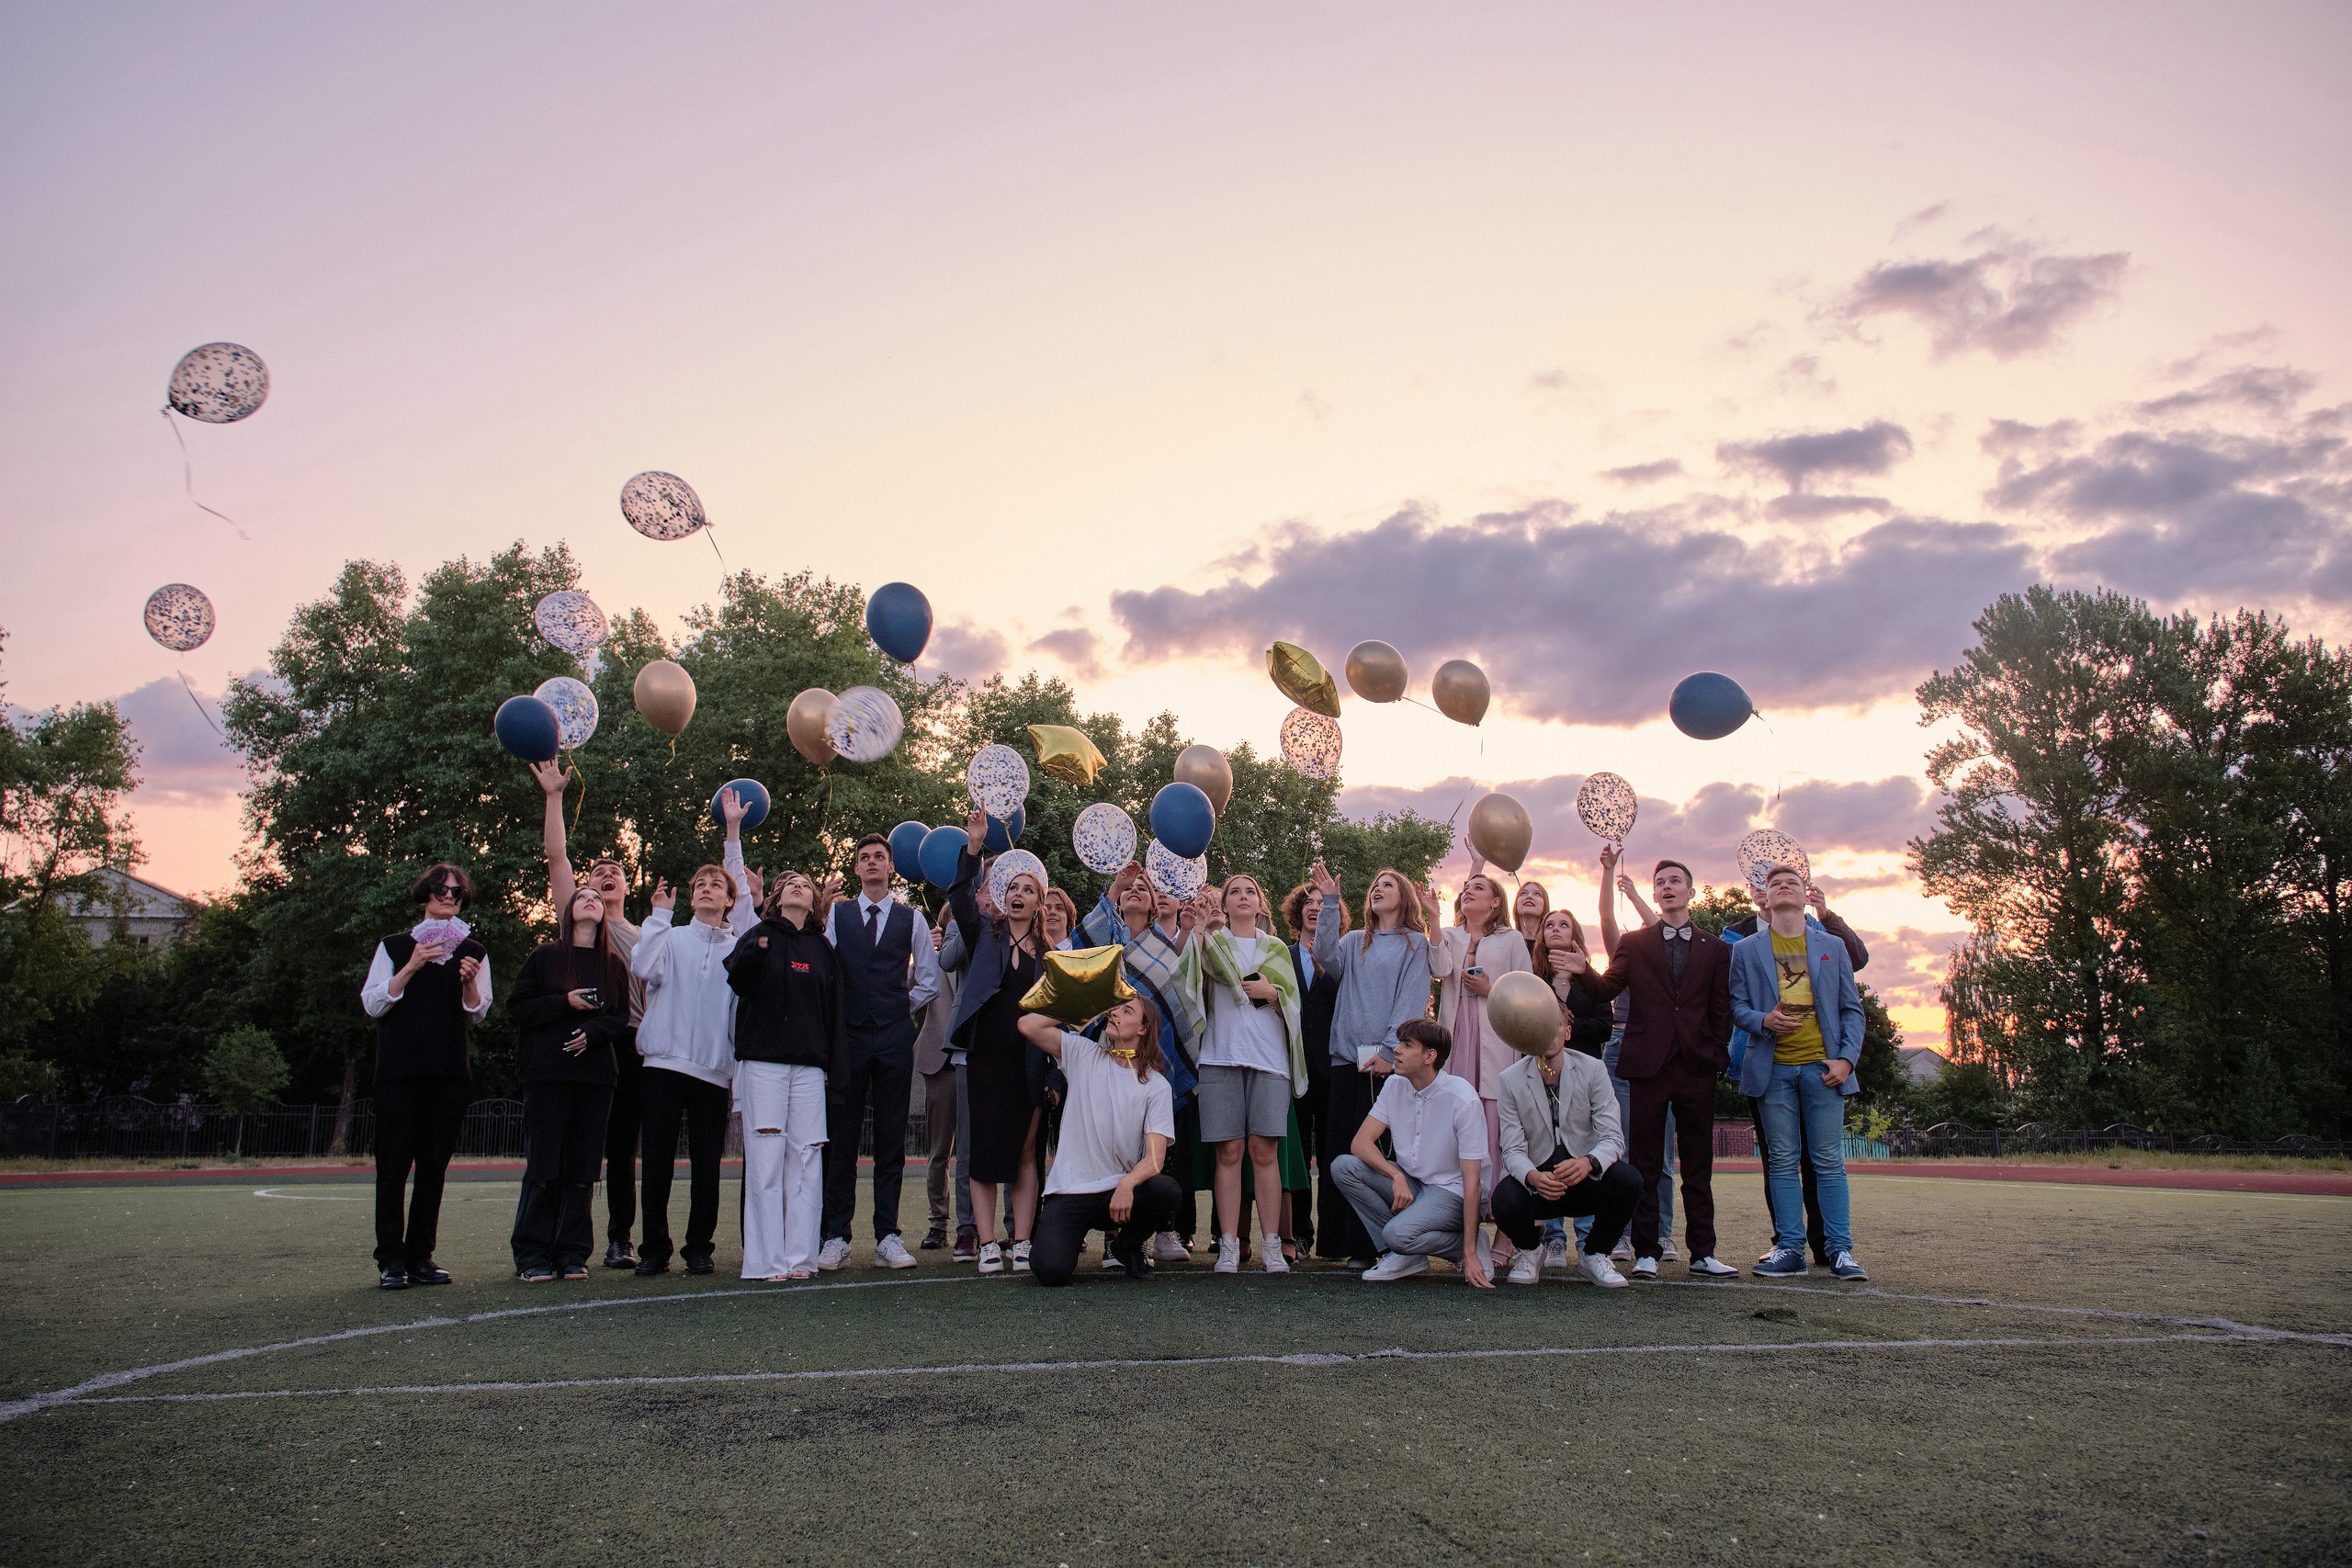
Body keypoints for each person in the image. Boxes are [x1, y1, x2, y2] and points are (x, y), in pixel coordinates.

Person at [1578, 858, 1739, 1280]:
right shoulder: (1636, 943)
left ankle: (1703, 1253)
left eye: (1675, 882)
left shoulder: (1717, 949)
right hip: (1646, 1067)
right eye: (1660, 883)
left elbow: (1721, 1010)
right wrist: (1583, 971)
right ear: (1653, 895)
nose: (1667, 888)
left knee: (1698, 1165)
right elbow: (1608, 987)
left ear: (1690, 891)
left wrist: (1716, 1057)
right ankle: (1647, 1251)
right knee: (1646, 1164)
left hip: (1696, 1068)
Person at [628, 805, 761, 1276]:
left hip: (712, 1069)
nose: (708, 889)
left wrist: (732, 831)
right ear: (690, 899)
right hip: (662, 1065)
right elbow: (642, 968)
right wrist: (657, 919)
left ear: (728, 900)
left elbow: (745, 893)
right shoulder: (669, 936)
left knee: (707, 1165)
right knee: (658, 1163)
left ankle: (699, 1247)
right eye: (699, 885)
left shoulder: (739, 946)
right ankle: (653, 1249)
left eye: (716, 885)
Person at [532, 759, 649, 1270]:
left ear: (625, 890)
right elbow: (557, 857)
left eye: (616, 873)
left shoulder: (645, 938)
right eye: (597, 873)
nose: (605, 876)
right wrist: (555, 795)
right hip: (582, 1041)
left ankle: (619, 1239)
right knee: (567, 1147)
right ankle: (546, 1243)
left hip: (633, 1043)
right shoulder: (576, 920)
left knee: (622, 1149)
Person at [1308, 859, 1451, 1269]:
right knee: (1340, 1152)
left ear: (1403, 898)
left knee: (1378, 1154)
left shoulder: (1415, 944)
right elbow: (1324, 956)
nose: (1378, 888)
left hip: (1384, 1064)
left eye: (1388, 884)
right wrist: (1331, 903)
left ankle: (1382, 1245)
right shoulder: (1354, 941)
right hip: (1344, 1060)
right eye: (1375, 884)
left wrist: (1392, 1052)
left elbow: (1411, 999)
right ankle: (1345, 1245)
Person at [1731, 863, 1870, 1280]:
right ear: (1764, 898)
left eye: (1792, 881)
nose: (1784, 886)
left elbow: (1852, 1010)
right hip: (1772, 1070)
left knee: (1828, 1161)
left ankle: (1840, 1250)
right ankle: (1789, 1249)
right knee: (1782, 1162)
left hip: (1822, 1070)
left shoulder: (1832, 946)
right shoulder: (1745, 949)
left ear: (1806, 893)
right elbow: (1736, 1008)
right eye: (1775, 883)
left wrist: (1846, 1060)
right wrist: (1762, 1021)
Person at [359, 863, 491, 1290]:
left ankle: (421, 1257)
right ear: (425, 895)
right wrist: (411, 966)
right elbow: (373, 1004)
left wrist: (469, 983)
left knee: (434, 1167)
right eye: (441, 889)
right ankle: (390, 1261)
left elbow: (478, 1013)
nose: (449, 896)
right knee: (394, 1166)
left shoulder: (473, 950)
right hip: (399, 1073)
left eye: (456, 892)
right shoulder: (394, 946)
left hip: (449, 1073)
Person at [814, 832, 940, 1272]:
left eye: (879, 857)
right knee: (841, 1138)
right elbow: (824, 971)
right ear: (856, 869)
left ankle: (887, 1234)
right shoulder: (837, 915)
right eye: (864, 858)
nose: (871, 863)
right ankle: (835, 1236)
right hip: (845, 1038)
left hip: (893, 1037)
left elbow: (928, 979)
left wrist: (895, 1007)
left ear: (890, 868)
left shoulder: (913, 920)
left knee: (891, 1137)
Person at [1170, 874, 1306, 1275]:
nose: (1243, 897)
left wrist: (1273, 995)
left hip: (1270, 1061)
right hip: (1220, 1058)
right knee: (1227, 1153)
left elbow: (1295, 1009)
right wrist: (1198, 930)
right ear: (1223, 904)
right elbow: (1186, 980)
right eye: (1234, 892)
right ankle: (1228, 1243)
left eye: (1251, 891)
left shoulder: (1278, 949)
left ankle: (1272, 1245)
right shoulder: (1213, 944)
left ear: (1261, 904)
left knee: (1265, 1153)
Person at [506, 885, 635, 1281]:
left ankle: (573, 1252)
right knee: (544, 1163)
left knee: (584, 1167)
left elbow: (619, 1017)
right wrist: (565, 1003)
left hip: (595, 1078)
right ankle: (532, 1255)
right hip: (547, 1074)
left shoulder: (612, 964)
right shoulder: (546, 956)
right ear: (568, 911)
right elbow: (518, 1006)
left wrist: (593, 1033)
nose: (592, 900)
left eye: (597, 898)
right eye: (583, 896)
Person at [726, 870, 848, 1280]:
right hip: (763, 1063)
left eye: (806, 884)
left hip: (811, 1068)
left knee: (807, 1156)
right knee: (765, 1155)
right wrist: (757, 947)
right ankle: (765, 1262)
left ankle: (800, 1259)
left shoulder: (822, 947)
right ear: (777, 898)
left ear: (815, 901)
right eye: (790, 882)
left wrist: (835, 1067)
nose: (799, 885)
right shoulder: (759, 934)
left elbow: (834, 1012)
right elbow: (739, 982)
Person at [1080, 858, 1201, 1261]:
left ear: (1155, 905)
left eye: (1144, 888)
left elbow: (1179, 1002)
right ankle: (1114, 1242)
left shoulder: (1163, 947)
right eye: (1130, 889)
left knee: (1158, 1144)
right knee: (1114, 1144)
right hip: (1109, 1062)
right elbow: (1076, 950)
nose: (1136, 891)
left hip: (1156, 1064)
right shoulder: (1104, 944)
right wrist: (1116, 885)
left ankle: (1163, 1232)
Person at [945, 811, 1049, 1273]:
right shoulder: (983, 935)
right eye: (1013, 889)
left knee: (1026, 1150)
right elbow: (959, 897)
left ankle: (1022, 1241)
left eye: (1028, 889)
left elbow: (1058, 1019)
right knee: (984, 1150)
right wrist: (974, 846)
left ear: (1040, 900)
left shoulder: (1051, 955)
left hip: (1029, 1062)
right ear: (1003, 899)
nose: (1019, 894)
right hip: (985, 1056)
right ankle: (988, 1244)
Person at [1017, 996, 1181, 1284]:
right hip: (1069, 1190)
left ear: (1143, 1029)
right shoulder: (1082, 1052)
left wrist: (1127, 1183)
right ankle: (1060, 1240)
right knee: (1050, 1272)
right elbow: (1027, 1025)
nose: (1115, 1012)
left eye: (1127, 1010)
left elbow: (1155, 1160)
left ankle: (1126, 1246)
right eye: (1115, 1007)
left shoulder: (1157, 1086)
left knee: (1165, 1190)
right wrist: (1085, 1004)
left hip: (1117, 1195)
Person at [1329, 1020, 1492, 1285]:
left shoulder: (1463, 1098)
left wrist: (1469, 1254)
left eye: (1407, 1045)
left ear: (1429, 1056)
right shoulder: (1395, 1085)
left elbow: (1473, 1184)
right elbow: (1360, 1144)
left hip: (1453, 1191)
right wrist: (1395, 1175)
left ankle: (1465, 1243)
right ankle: (1403, 1252)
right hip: (1414, 1181)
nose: (1396, 1050)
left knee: (1396, 1233)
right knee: (1344, 1167)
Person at [1431, 865, 1532, 1264]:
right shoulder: (1451, 936)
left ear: (1495, 902)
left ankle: (1507, 1236)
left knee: (1502, 1141)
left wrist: (1493, 988)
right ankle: (1464, 1238)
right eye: (1466, 887)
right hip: (1457, 1047)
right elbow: (1439, 970)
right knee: (1458, 1138)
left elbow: (1526, 991)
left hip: (1497, 1049)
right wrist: (1435, 920)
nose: (1469, 891)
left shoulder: (1511, 940)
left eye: (1479, 887)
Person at [1493, 1009, 1637, 1287]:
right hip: (1540, 1184)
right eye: (1541, 1025)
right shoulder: (1510, 1079)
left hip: (1585, 1177)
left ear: (1568, 1032)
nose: (1549, 1033)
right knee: (1504, 1198)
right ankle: (1530, 1251)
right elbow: (1511, 1150)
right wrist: (1533, 1176)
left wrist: (1589, 1162)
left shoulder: (1593, 1069)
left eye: (1556, 1026)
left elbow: (1614, 1138)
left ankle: (1595, 1254)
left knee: (1629, 1181)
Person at [1597, 842, 1672, 1265]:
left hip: (1661, 1050)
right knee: (1620, 1147)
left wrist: (1637, 894)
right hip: (1622, 1047)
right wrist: (1610, 874)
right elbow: (1607, 919)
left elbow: (1661, 928)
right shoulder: (1624, 956)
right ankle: (1623, 1235)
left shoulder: (1667, 953)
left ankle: (1663, 1234)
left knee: (1661, 1154)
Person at [1283, 882, 1341, 1260]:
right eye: (1309, 902)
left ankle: (1336, 1239)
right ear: (1298, 913)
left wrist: (1326, 974)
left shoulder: (1342, 953)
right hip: (1294, 1067)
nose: (1315, 908)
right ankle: (1300, 1235)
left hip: (1334, 1066)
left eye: (1322, 903)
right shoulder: (1280, 953)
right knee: (1299, 1154)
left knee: (1333, 1154)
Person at [911, 919, 967, 1252]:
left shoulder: (980, 953)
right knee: (939, 1153)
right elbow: (907, 987)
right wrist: (922, 954)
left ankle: (972, 1227)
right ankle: (938, 1223)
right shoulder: (932, 959)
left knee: (974, 1152)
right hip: (938, 1061)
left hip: (973, 1057)